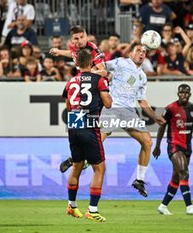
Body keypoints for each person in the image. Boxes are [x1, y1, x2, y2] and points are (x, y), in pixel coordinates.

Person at [60, 43, 166, 198]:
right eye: (138, 51)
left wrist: (155, 117)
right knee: (97, 141)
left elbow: (142, 101)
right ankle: (75, 160)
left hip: (129, 112)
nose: (142, 54)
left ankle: (139, 180)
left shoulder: (143, 76)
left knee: (147, 142)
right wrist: (100, 73)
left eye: (144, 52)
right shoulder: (121, 62)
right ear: (131, 53)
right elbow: (99, 67)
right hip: (113, 107)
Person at [152, 84, 193, 215]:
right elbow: (162, 127)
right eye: (181, 93)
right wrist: (157, 145)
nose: (183, 95)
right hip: (175, 146)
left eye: (186, 93)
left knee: (177, 178)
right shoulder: (170, 108)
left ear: (189, 95)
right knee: (184, 173)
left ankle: (163, 206)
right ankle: (189, 207)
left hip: (188, 147)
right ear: (178, 94)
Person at [64, 49, 112, 222]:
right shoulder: (98, 79)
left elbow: (68, 104)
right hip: (89, 125)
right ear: (92, 63)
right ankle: (92, 210)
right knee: (99, 168)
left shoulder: (70, 82)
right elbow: (108, 104)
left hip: (73, 124)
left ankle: (72, 205)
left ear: (77, 64)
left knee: (77, 166)